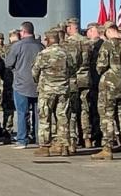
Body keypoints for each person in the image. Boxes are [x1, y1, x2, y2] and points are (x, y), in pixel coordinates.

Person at [91, 25, 121, 161]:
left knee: (107, 116)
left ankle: (107, 148)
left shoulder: (107, 45)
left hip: (109, 85)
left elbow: (101, 65)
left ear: (109, 31)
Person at [32, 31, 74, 157]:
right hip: (63, 90)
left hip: (47, 90)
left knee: (45, 117)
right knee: (63, 117)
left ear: (49, 40)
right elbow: (72, 69)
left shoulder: (43, 54)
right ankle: (64, 146)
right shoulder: (66, 53)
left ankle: (45, 146)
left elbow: (35, 71)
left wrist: (38, 81)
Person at [5, 21, 43, 148]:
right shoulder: (41, 47)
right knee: (38, 114)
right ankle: (38, 138)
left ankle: (22, 139)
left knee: (22, 113)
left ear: (23, 32)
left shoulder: (18, 46)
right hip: (38, 85)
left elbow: (8, 63)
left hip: (21, 84)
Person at [62, 19, 92, 150]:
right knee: (85, 109)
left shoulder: (68, 43)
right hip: (86, 78)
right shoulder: (87, 42)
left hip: (73, 80)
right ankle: (87, 138)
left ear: (69, 28)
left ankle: (73, 140)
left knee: (72, 110)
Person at [85, 23, 104, 146]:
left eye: (89, 30)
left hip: (94, 81)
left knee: (94, 110)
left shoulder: (92, 46)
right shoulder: (105, 45)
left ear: (93, 31)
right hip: (102, 82)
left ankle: (95, 137)